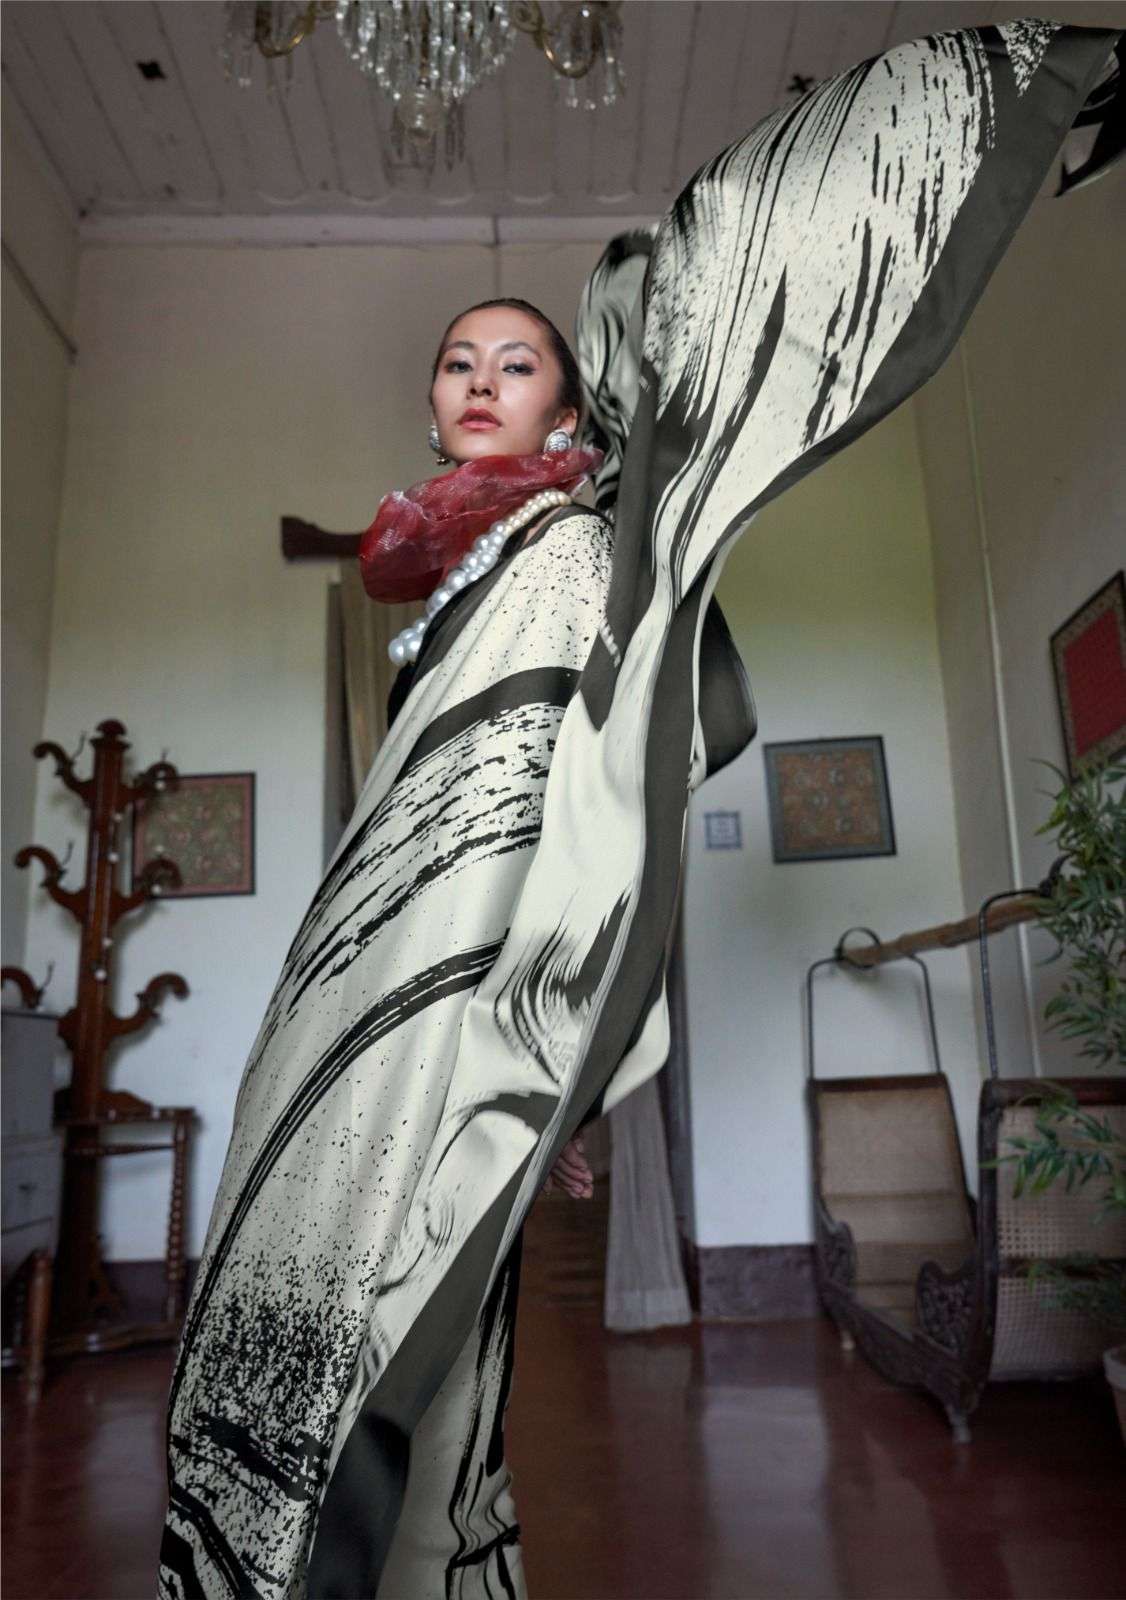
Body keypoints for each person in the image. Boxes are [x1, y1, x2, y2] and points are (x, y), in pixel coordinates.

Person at [158, 18, 1121, 1599]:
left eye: (514, 363)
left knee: (334, 1363)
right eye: (456, 364)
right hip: (350, 1012)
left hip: (412, 1042)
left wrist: (537, 1042)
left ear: (566, 411)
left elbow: (532, 826)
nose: (480, 382)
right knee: (398, 1369)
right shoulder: (467, 566)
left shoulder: (557, 559)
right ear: (431, 409)